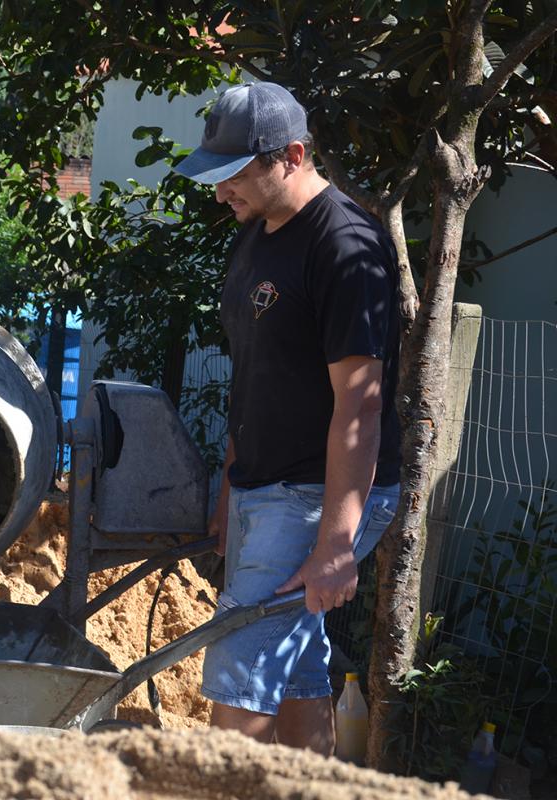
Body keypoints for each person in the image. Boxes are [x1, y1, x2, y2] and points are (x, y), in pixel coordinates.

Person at [172, 82, 401, 755]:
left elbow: (359, 403)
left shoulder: (346, 246)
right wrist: (231, 486)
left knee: (236, 672)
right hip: (262, 490)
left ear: (292, 156)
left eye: (233, 175)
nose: (220, 193)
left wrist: (335, 543)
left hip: (315, 497)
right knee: (299, 676)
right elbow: (255, 376)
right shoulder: (257, 237)